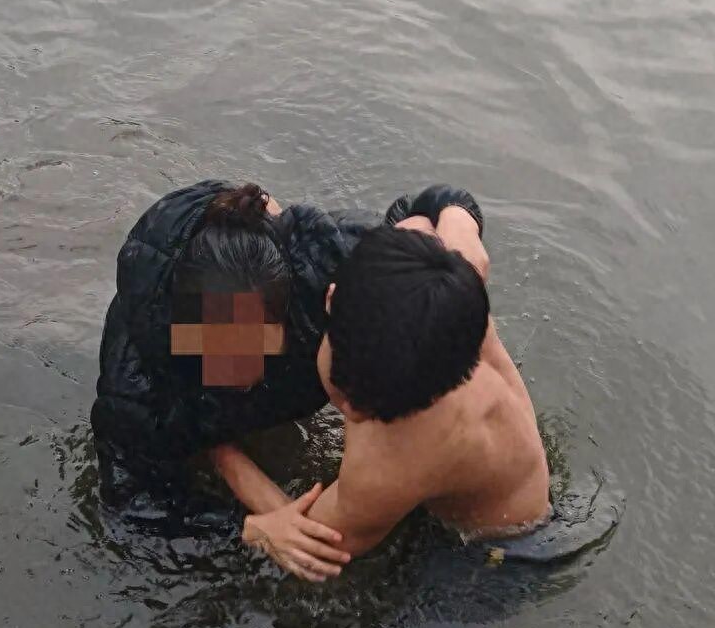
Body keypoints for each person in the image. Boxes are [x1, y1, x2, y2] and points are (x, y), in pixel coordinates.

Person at [91, 179, 484, 559]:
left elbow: (424, 208)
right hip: (187, 408)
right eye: (217, 349)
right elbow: (132, 513)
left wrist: (460, 229)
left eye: (256, 345)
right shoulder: (135, 377)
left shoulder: (320, 266)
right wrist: (248, 529)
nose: (240, 371)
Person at [215, 205, 551, 581]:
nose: (354, 412)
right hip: (501, 473)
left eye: (373, 406)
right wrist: (459, 215)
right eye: (348, 388)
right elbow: (426, 214)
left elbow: (310, 544)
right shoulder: (447, 289)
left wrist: (221, 457)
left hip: (498, 552)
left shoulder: (393, 463)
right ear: (332, 298)